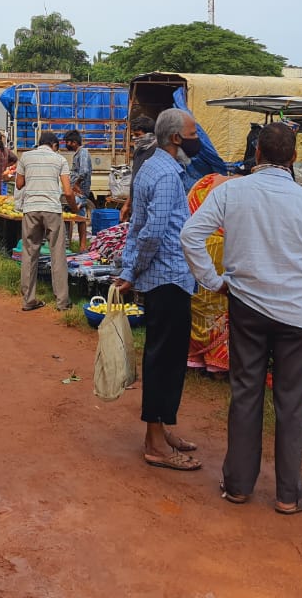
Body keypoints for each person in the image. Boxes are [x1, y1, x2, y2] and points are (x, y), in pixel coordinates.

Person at [180, 123, 302, 514]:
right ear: (294, 158)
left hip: (247, 307)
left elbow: (190, 235)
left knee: (245, 393)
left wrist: (214, 281)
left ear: (257, 154)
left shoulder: (231, 192)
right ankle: (289, 495)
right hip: (298, 315)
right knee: (291, 403)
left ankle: (238, 486)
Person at [113, 109, 201, 471]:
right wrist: (133, 270)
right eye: (193, 134)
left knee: (165, 356)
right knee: (165, 360)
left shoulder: (152, 168)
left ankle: (161, 429)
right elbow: (151, 233)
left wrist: (129, 268)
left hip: (164, 277)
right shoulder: (165, 175)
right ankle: (154, 442)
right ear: (176, 138)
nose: (197, 140)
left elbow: (138, 226)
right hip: (168, 277)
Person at [15, 130, 77, 312]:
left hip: (31, 209)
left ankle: (28, 300)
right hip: (52, 210)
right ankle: (62, 302)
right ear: (54, 145)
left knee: (29, 253)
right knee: (57, 254)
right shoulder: (60, 160)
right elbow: (68, 191)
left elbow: (19, 184)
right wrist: (74, 208)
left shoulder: (26, 157)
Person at [120, 115, 156, 223]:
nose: (135, 138)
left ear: (150, 134)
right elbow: (135, 181)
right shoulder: (138, 152)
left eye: (138, 135)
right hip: (136, 207)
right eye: (133, 135)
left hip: (150, 208)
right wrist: (127, 204)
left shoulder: (157, 152)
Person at [64, 129, 93, 250]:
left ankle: (82, 246)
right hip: (75, 192)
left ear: (74, 142)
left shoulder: (83, 152)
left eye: (68, 142)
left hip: (80, 193)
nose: (66, 145)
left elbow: (84, 171)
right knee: (72, 216)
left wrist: (76, 184)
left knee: (80, 218)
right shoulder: (78, 154)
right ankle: (69, 244)